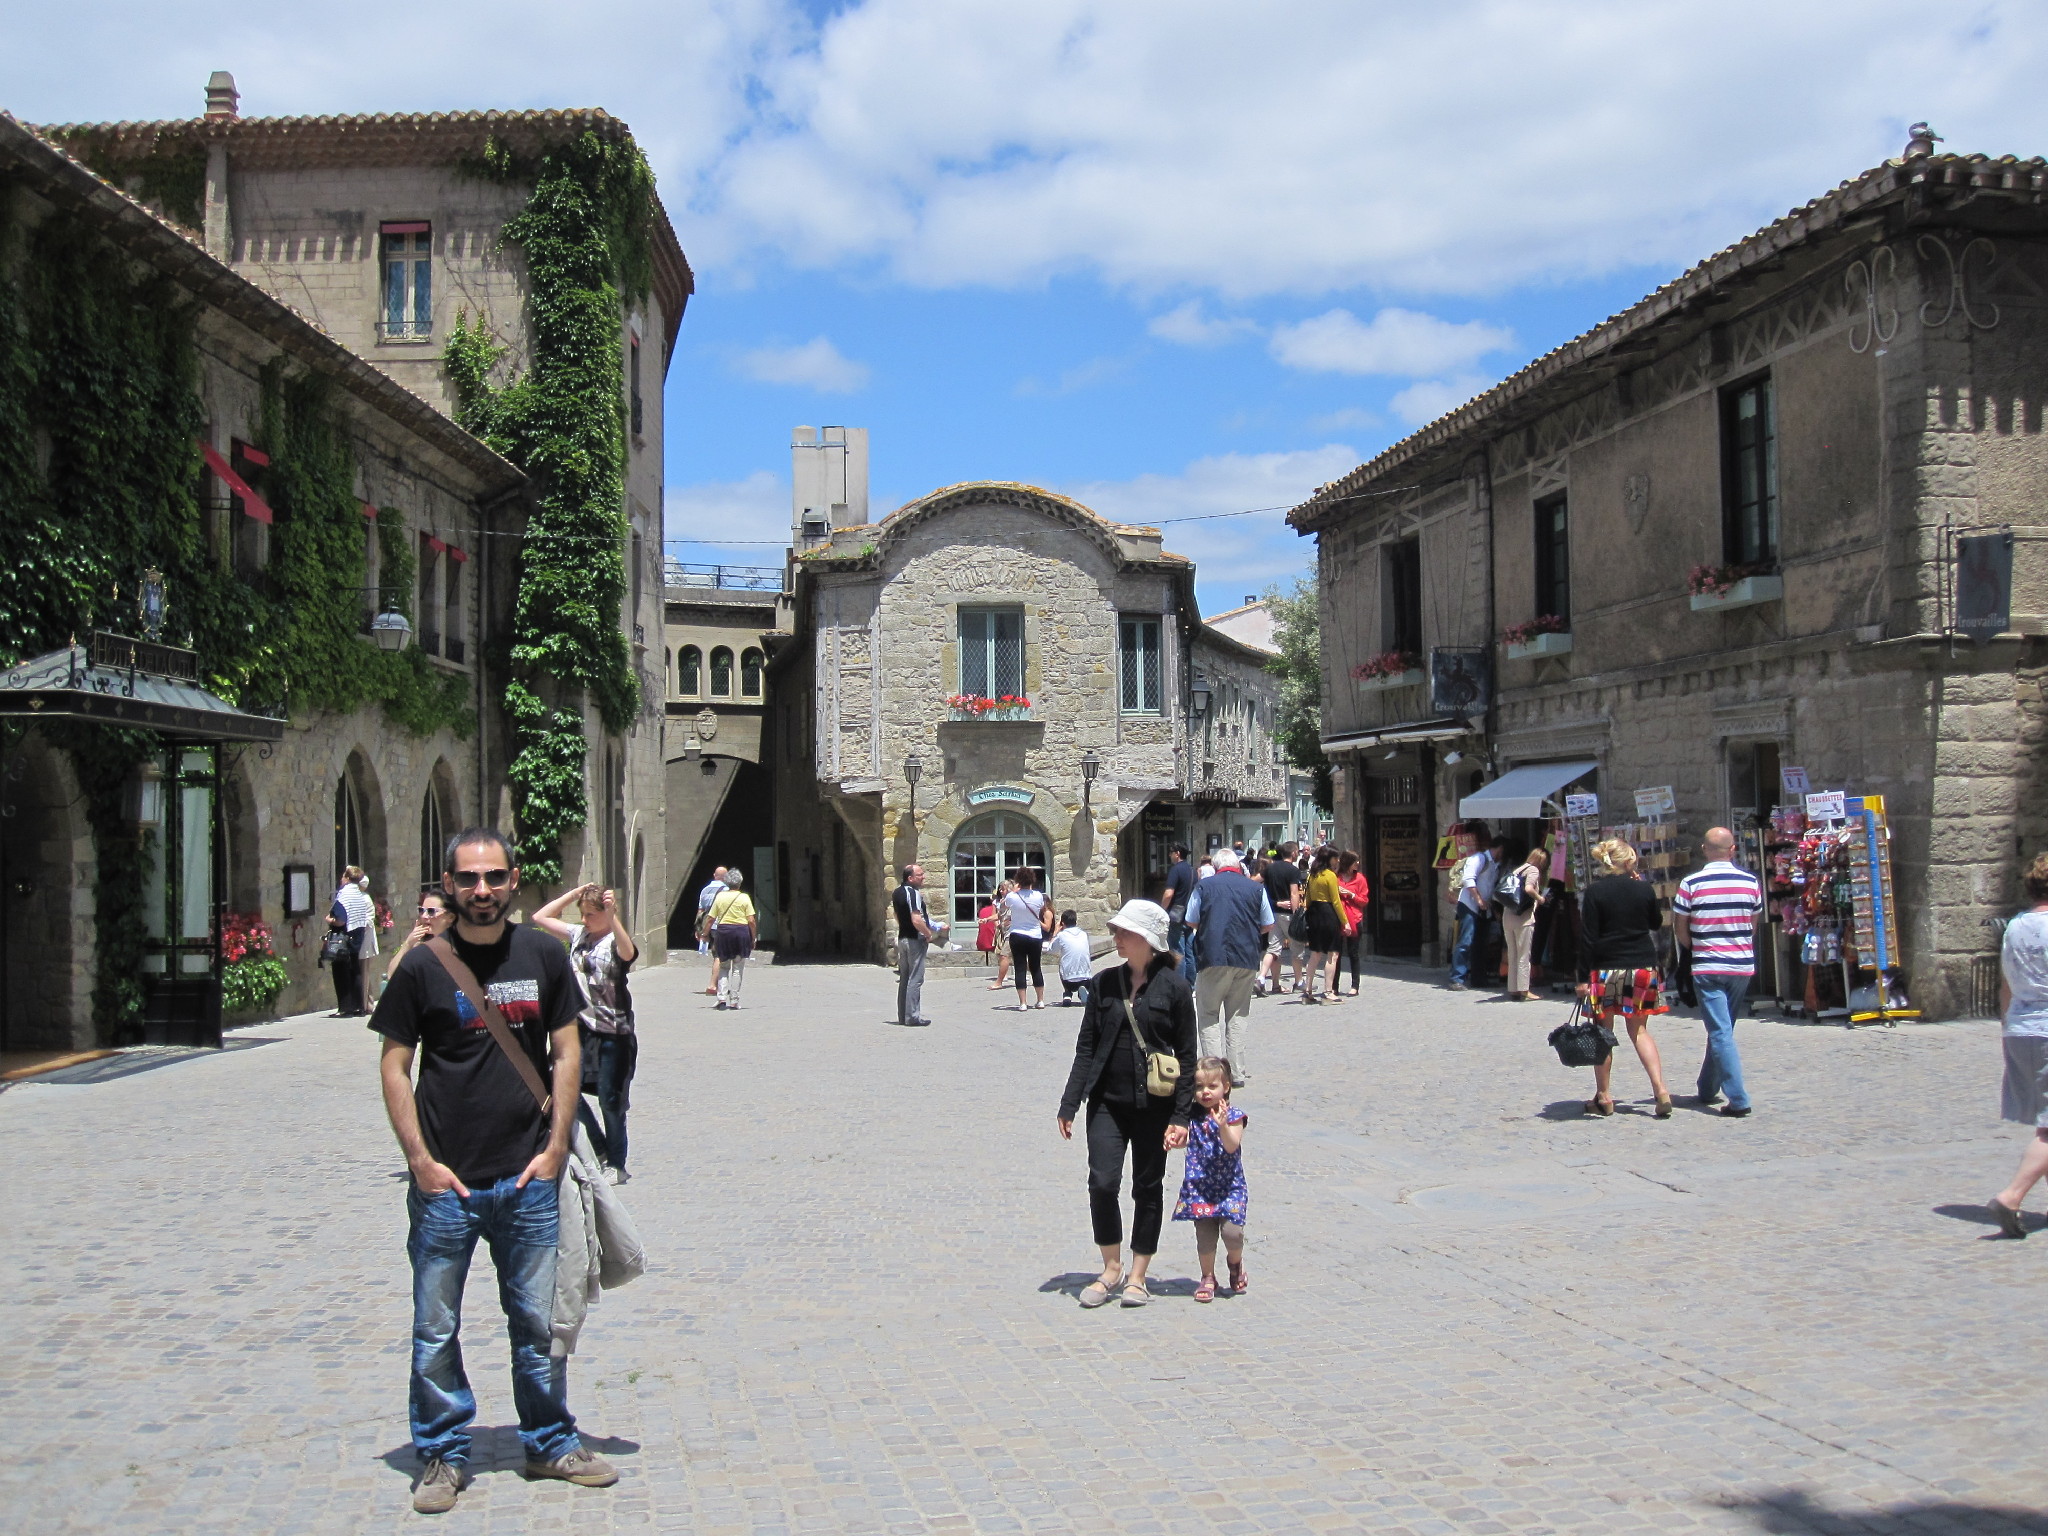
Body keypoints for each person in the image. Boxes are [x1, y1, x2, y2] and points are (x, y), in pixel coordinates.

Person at [371, 827, 618, 1513]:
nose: (482, 890)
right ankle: (443, 1452)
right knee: (435, 1329)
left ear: (513, 881)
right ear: (448, 885)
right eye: (468, 879)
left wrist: (556, 1148)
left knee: (537, 1325)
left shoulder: (541, 954)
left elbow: (567, 1052)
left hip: (526, 1177)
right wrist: (419, 1161)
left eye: (494, 877)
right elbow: (394, 1064)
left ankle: (547, 1440)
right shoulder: (423, 966)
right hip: (446, 1184)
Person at [1055, 900, 1197, 1309]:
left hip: (1155, 1106)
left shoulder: (1174, 988)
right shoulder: (1102, 984)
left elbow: (1188, 1057)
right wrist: (1069, 1103)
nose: (1116, 937)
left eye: (1124, 932)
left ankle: (1138, 1275)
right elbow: (1086, 1048)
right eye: (1116, 930)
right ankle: (1111, 1267)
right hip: (1106, 1102)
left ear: (1147, 940)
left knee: (1147, 1187)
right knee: (1102, 1183)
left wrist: (1181, 1116)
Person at [534, 883, 639, 1183]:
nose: (584, 920)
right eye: (582, 914)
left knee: (610, 1099)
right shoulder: (579, 935)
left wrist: (613, 915)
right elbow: (540, 917)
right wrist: (574, 894)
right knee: (564, 1089)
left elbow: (628, 953)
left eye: (591, 914)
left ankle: (617, 1164)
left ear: (605, 913)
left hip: (613, 1031)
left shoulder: (614, 940)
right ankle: (600, 1149)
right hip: (579, 1030)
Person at [1671, 828, 1765, 1118]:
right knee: (1723, 1028)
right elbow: (1752, 924)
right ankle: (1707, 1086)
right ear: (1733, 849)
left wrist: (1696, 947)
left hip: (1708, 964)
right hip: (1740, 964)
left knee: (1720, 1031)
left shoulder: (1691, 883)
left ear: (1704, 849)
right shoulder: (1750, 882)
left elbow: (1679, 927)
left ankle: (1738, 1098)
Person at [1579, 838, 1673, 1118]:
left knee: (1603, 1032)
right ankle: (1660, 1090)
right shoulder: (1643, 889)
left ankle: (1604, 1096)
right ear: (1629, 861)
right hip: (1641, 965)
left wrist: (1582, 977)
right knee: (1639, 1031)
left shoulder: (1595, 892)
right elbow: (1655, 923)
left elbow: (1588, 938)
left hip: (1606, 966)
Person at [1990, 854, 2048, 1236]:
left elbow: (2006, 983)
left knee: (2045, 1120)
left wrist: (2006, 1023)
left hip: (2021, 1028)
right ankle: (2011, 1196)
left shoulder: (2015, 927)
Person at [1184, 849, 1274, 1088]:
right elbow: (1268, 924)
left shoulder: (1204, 887)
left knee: (1208, 1014)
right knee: (1238, 1015)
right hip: (1246, 957)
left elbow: (1191, 920)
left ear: (1215, 867)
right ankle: (1236, 1072)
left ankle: (1214, 1073)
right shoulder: (1256, 888)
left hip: (1212, 956)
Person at [1173, 1057, 1249, 1302]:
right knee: (1205, 1238)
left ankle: (1235, 1264)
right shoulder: (1192, 1117)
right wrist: (1174, 1140)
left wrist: (1222, 1125)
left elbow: (1231, 1145)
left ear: (1225, 1087)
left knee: (1232, 1233)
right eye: (1199, 1087)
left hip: (1229, 1187)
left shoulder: (1234, 1116)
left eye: (1211, 1086)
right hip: (1201, 1187)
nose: (1204, 1092)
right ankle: (1207, 1277)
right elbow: (1186, 1141)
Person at [1447, 835, 1502, 990]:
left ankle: (1479, 978)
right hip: (1469, 905)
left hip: (1484, 909)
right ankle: (1456, 978)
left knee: (1481, 944)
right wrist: (1478, 899)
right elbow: (1468, 879)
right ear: (1500, 848)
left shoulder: (1495, 865)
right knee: (1466, 940)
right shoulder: (1479, 858)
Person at [1499, 847, 1549, 1001]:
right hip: (1523, 918)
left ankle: (1513, 989)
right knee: (1523, 955)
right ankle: (1524, 990)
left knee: (1512, 954)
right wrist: (1540, 898)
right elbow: (1528, 888)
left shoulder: (1518, 869)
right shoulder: (1533, 870)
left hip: (1508, 916)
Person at [1258, 842, 1304, 996]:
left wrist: (1273, 902)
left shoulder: (1270, 868)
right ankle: (1299, 981)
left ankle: (1262, 978)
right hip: (1288, 914)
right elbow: (1294, 893)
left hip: (1273, 914)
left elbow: (1255, 881)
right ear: (1293, 853)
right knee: (1297, 949)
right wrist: (1296, 914)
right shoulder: (1293, 870)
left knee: (1273, 949)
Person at [327, 866, 374, 1016]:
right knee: (355, 970)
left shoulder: (344, 895)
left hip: (343, 937)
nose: (341, 879)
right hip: (357, 936)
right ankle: (358, 1006)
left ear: (347, 878)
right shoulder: (360, 895)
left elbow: (340, 920)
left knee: (341, 971)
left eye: (343, 876)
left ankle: (345, 1007)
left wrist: (329, 920)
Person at [706, 869, 757, 1010]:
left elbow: (711, 918)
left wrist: (704, 933)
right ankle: (734, 1000)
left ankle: (721, 998)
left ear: (727, 882)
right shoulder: (744, 898)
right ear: (740, 883)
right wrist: (753, 937)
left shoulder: (720, 897)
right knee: (737, 968)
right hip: (741, 933)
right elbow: (751, 920)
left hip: (724, 933)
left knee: (724, 966)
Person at [1302, 847, 1346, 1004]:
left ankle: (1307, 991)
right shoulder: (1330, 875)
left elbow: (1307, 900)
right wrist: (1344, 921)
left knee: (1315, 953)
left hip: (1314, 913)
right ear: (1329, 859)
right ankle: (1328, 991)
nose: (1337, 860)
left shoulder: (1312, 875)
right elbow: (1336, 901)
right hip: (1328, 914)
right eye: (1335, 858)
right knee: (1332, 954)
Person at [892, 863, 935, 1028]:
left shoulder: (897, 892)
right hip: (914, 939)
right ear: (910, 878)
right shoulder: (912, 893)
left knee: (905, 977)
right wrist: (928, 933)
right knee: (915, 978)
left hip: (903, 938)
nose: (923, 877)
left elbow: (896, 915)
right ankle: (912, 1016)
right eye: (920, 875)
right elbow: (916, 918)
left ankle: (903, 1015)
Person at [388, 889, 456, 983]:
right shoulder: (420, 946)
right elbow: (392, 976)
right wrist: (408, 944)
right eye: (421, 910)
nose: (424, 916)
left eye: (431, 911)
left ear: (451, 917)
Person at [1006, 868, 1050, 1010]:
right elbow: (1041, 907)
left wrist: (1015, 890)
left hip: (1017, 934)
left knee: (1020, 968)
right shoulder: (1038, 896)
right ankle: (1040, 1000)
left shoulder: (1012, 896)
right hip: (1035, 935)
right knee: (1036, 967)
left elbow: (1005, 904)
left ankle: (1023, 1003)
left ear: (1018, 880)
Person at [1160, 844, 1197, 982]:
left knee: (1177, 951)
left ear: (1177, 853)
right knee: (1189, 951)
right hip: (1189, 916)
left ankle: (1178, 984)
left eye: (1171, 853)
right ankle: (1190, 984)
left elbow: (1169, 894)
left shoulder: (1176, 870)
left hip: (1176, 916)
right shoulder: (1193, 871)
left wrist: (1161, 909)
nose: (1169, 855)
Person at [1336, 851, 1370, 997]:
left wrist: (1351, 894)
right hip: (1338, 918)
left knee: (1353, 953)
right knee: (1336, 954)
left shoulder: (1360, 879)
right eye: (1355, 861)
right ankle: (1334, 986)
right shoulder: (1336, 877)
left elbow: (1364, 901)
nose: (1358, 863)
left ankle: (1355, 985)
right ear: (1347, 862)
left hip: (1354, 918)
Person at [1048, 908, 1094, 1006]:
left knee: (1062, 963)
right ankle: (1083, 991)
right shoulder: (1083, 934)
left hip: (1068, 980)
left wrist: (1055, 932)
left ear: (1062, 923)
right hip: (1086, 977)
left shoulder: (1061, 935)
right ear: (1075, 922)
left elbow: (1051, 949)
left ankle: (1068, 993)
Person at [696, 865, 729, 995]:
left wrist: (699, 929)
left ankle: (718, 983)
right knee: (719, 956)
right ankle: (712, 985)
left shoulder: (704, 890)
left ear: (714, 876)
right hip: (720, 925)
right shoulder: (726, 890)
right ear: (726, 877)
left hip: (708, 926)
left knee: (717, 954)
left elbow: (700, 911)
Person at [988, 878, 1017, 991]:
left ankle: (999, 982)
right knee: (1018, 958)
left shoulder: (1013, 900)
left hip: (1012, 932)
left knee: (1004, 955)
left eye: (1003, 889)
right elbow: (999, 915)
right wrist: (987, 919)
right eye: (1000, 889)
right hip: (1006, 932)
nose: (1000, 891)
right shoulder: (1002, 901)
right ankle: (1036, 974)